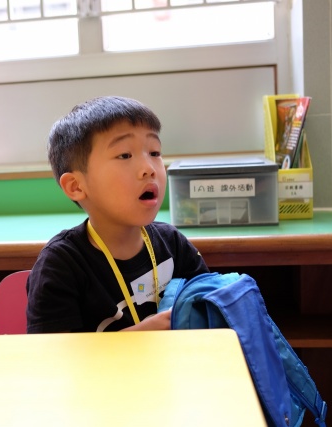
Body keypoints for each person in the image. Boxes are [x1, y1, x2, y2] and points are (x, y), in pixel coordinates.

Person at [26, 96, 209, 333]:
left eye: (154, 152)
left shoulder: (172, 243)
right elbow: (54, 354)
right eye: (124, 155)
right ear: (76, 186)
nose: (149, 169)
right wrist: (143, 334)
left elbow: (210, 313)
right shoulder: (60, 265)